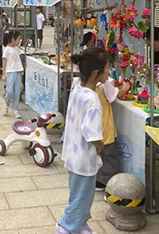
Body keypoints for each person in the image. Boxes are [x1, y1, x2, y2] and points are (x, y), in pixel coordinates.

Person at [57, 47, 107, 234]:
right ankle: (66, 227)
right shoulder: (92, 100)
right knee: (82, 198)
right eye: (107, 68)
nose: (109, 72)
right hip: (84, 158)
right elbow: (91, 133)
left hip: (72, 153)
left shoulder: (78, 87)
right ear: (95, 73)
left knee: (79, 194)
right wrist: (100, 146)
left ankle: (79, 225)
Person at [95, 79, 130, 191]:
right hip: (104, 122)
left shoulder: (86, 83)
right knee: (108, 154)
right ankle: (106, 182)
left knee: (98, 153)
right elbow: (114, 95)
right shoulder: (103, 83)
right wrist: (124, 88)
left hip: (95, 123)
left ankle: (97, 179)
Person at [2, 31, 24, 119]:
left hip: (18, 71)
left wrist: (21, 69)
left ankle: (15, 109)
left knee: (17, 92)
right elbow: (4, 61)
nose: (19, 41)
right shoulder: (7, 50)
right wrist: (3, 74)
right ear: (13, 39)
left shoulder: (17, 49)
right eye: (18, 39)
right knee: (9, 91)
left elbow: (19, 59)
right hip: (10, 71)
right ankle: (6, 103)